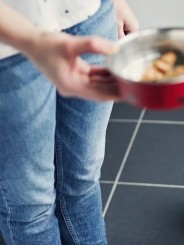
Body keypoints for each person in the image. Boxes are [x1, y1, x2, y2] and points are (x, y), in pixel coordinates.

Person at [0, 0, 139, 244]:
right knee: (31, 207)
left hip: (89, 14)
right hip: (8, 50)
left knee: (83, 180)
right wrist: (33, 41)